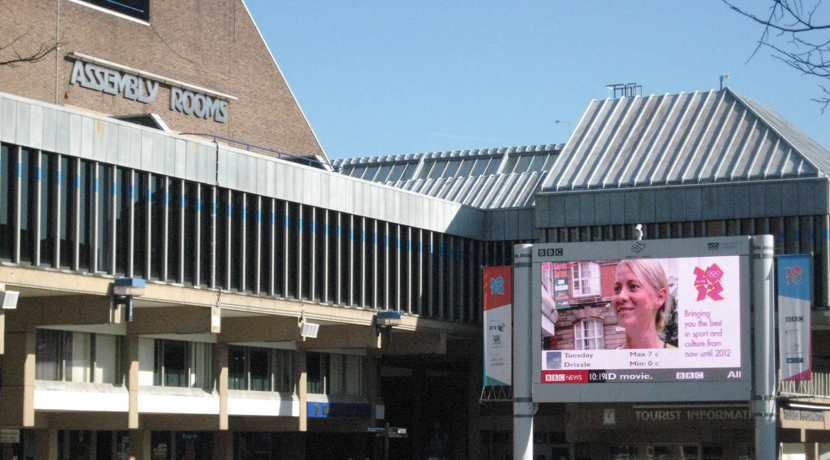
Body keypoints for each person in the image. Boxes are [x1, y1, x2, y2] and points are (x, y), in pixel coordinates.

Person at [613, 259, 675, 349]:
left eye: (633, 286)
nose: (621, 296)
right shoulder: (605, 361)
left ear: (660, 297)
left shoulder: (679, 358)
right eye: (617, 289)